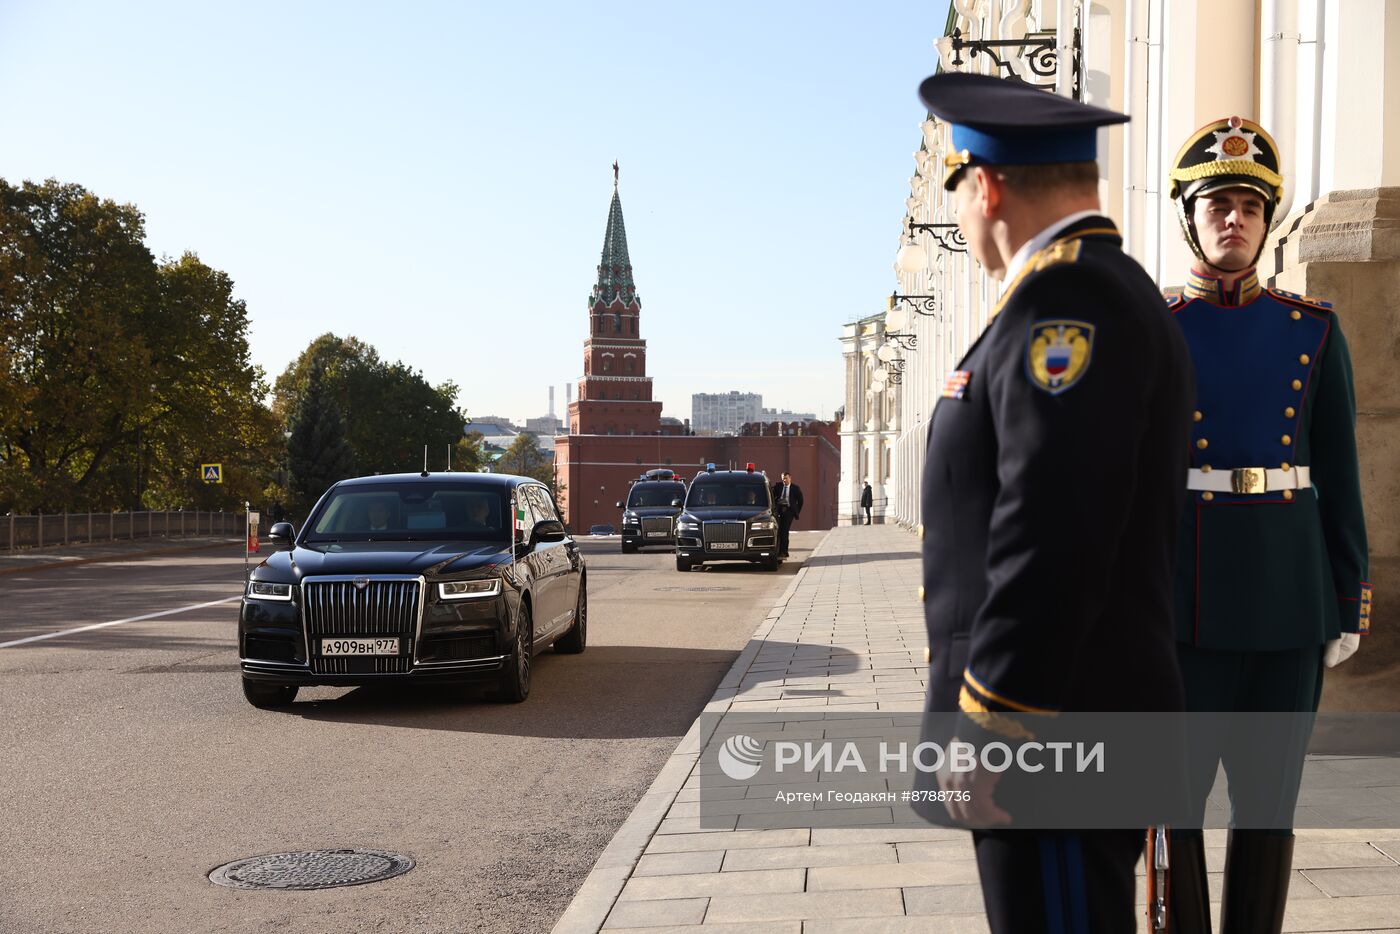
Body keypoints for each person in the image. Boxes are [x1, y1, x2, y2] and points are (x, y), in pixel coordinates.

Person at [914, 73, 1194, 933]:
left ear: (985, 186)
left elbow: (1056, 527)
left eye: (958, 194)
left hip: (1055, 734)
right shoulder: (1083, 291)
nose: (963, 221)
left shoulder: (1067, 302)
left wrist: (998, 717)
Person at [1162, 116, 1370, 934]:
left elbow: (1340, 473)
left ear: (1269, 220)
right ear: (1190, 215)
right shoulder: (1155, 326)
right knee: (1173, 808)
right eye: (1217, 203)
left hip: (1288, 600)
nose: (1234, 219)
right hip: (1181, 601)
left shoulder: (1312, 328)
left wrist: (1347, 598)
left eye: (1250, 205)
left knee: (1268, 809)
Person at [770, 471, 802, 557]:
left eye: (786, 478)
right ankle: (778, 551)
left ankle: (784, 552)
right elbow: (771, 495)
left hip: (789, 512)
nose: (784, 480)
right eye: (783, 478)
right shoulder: (778, 486)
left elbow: (801, 501)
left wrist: (796, 511)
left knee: (784, 531)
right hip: (779, 511)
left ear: (790, 478)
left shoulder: (795, 488)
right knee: (778, 531)